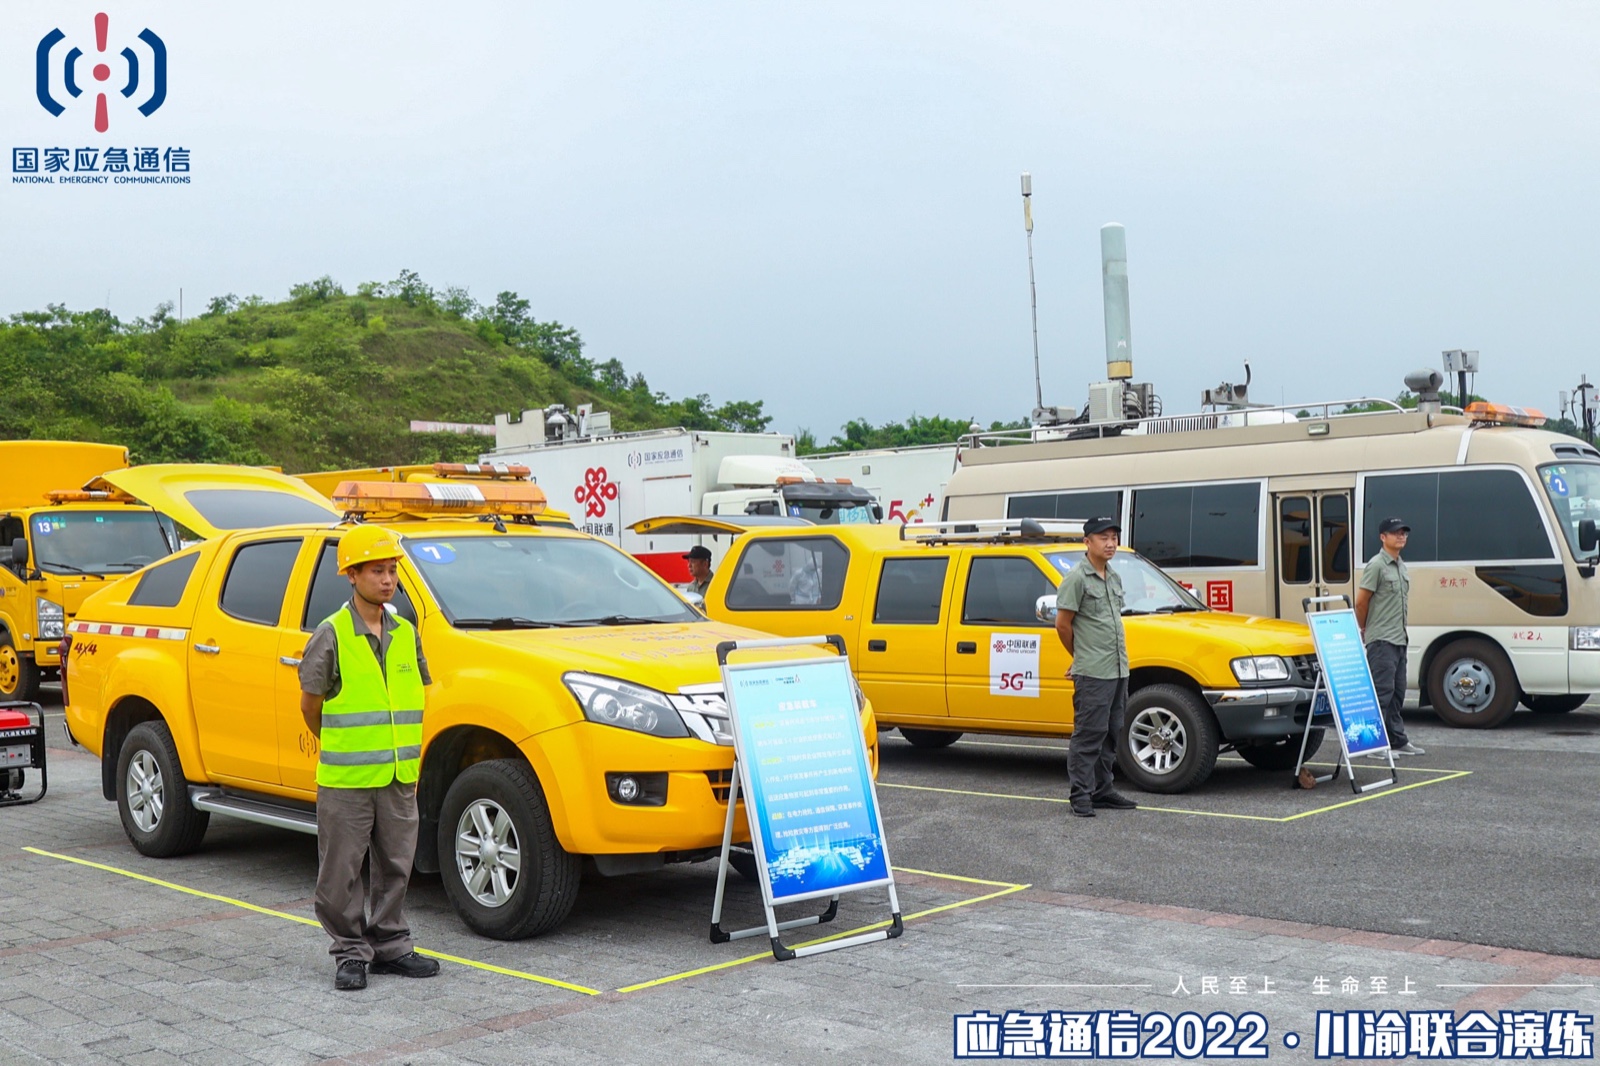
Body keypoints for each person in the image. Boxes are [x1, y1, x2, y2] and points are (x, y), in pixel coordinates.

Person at [299, 525, 441, 991]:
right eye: (377, 571)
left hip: (399, 775)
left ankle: (391, 945)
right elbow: (311, 706)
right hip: (348, 779)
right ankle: (350, 952)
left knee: (396, 864)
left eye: (392, 571)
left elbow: (415, 694)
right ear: (352, 575)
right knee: (341, 871)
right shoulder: (331, 635)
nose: (387, 580)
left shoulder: (406, 633)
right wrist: (345, 746)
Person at [1054, 516, 1138, 817]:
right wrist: (1080, 656)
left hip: (1118, 668)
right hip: (1093, 671)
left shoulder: (1113, 577)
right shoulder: (1076, 578)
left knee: (1112, 731)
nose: (1111, 543)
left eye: (1114, 537)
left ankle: (1103, 790)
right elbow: (1062, 625)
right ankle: (1080, 795)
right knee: (1089, 733)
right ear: (1087, 542)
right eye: (1104, 538)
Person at [1355, 517, 1425, 757]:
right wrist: (1364, 629)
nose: (1401, 536)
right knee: (1381, 692)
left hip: (1399, 639)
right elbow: (1361, 602)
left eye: (1404, 532)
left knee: (1397, 693)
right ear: (1382, 537)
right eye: (1396, 532)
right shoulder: (1376, 565)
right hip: (1382, 640)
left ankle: (1396, 739)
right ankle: (1373, 744)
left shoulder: (1400, 565)